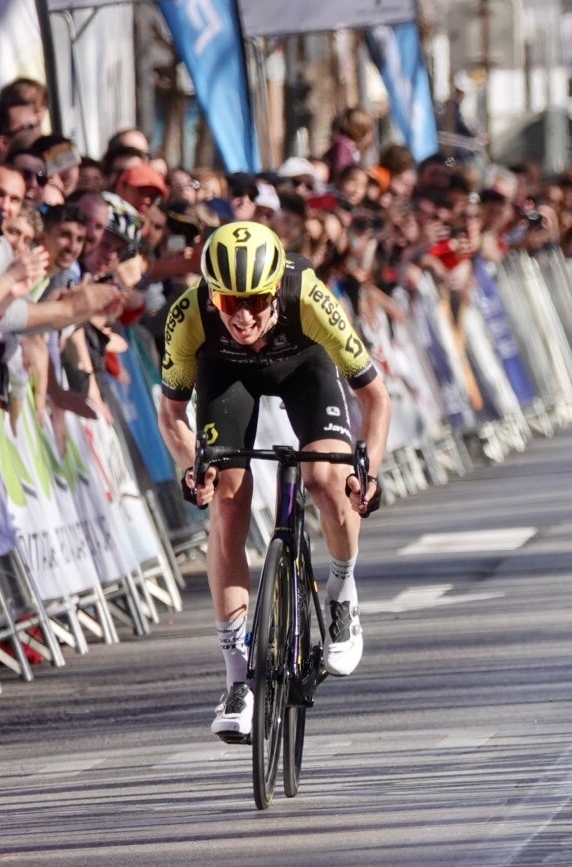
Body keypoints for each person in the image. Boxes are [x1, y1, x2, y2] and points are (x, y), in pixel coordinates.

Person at [156, 220, 392, 743]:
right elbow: (171, 413)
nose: (242, 315)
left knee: (327, 479)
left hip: (303, 367)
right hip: (227, 376)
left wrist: (367, 471)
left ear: (275, 292)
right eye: (227, 302)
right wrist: (188, 465)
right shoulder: (189, 313)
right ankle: (237, 678)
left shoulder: (308, 296)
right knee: (227, 501)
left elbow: (377, 398)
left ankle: (342, 594)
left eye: (256, 301)